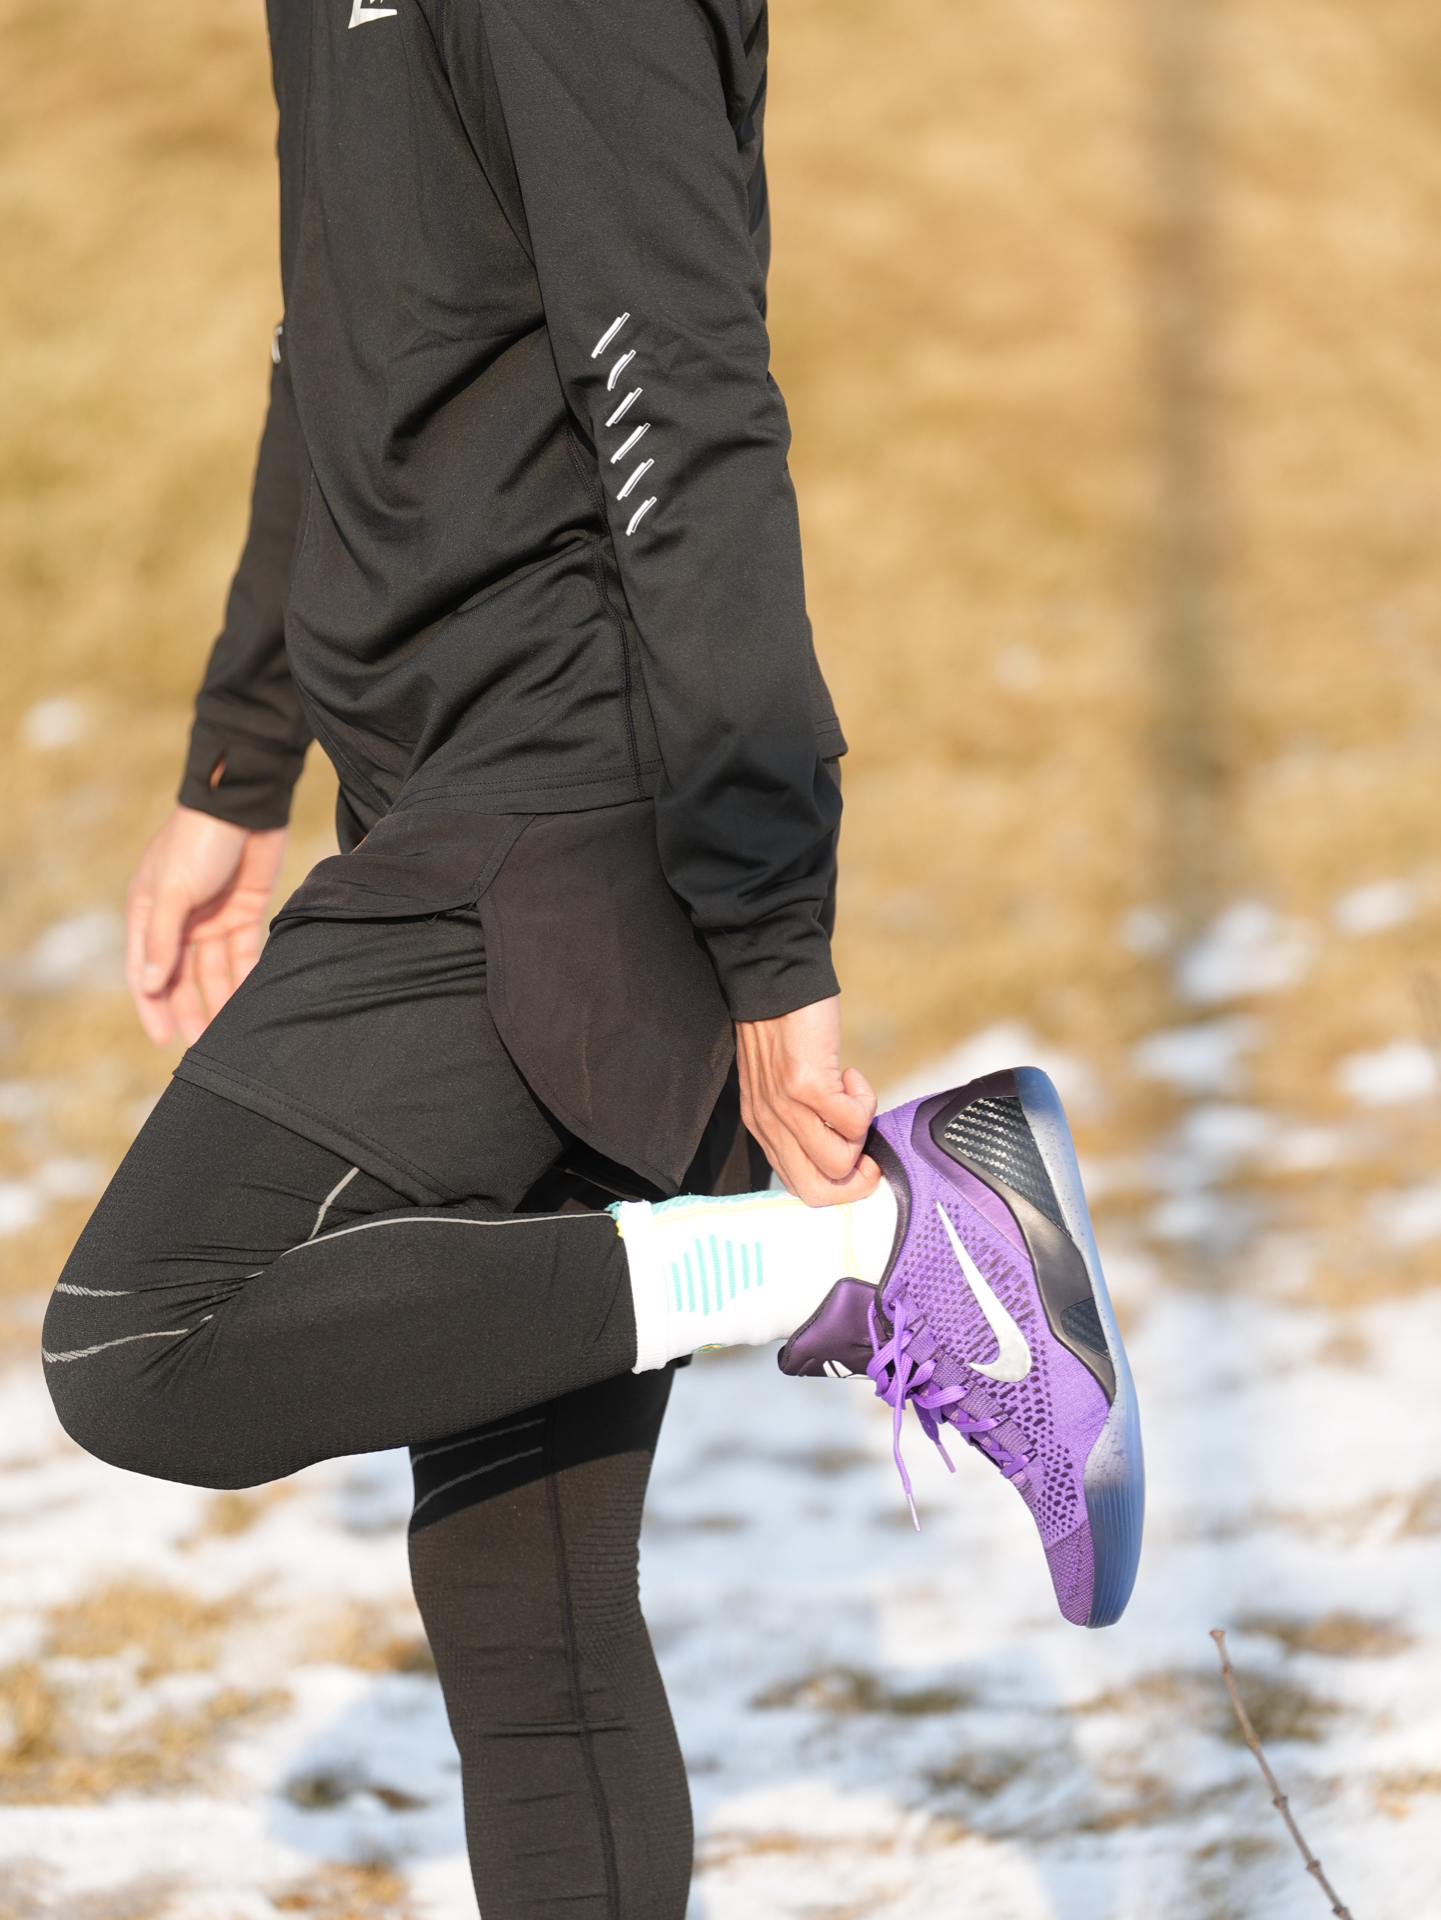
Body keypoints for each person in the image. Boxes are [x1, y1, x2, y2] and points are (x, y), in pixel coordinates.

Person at [41, 2, 1143, 1915]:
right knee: (530, 1635)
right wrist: (242, 753)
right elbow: (341, 341)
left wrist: (766, 934)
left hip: (566, 812)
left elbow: (685, 396)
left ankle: (866, 1251)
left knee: (145, 1347)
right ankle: (846, 1258)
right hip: (452, 800)